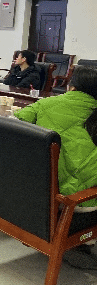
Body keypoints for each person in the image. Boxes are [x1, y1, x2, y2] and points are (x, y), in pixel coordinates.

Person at [15, 66, 97, 212]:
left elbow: (12, 126)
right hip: (83, 201)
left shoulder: (45, 104)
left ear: (72, 87)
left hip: (40, 193)